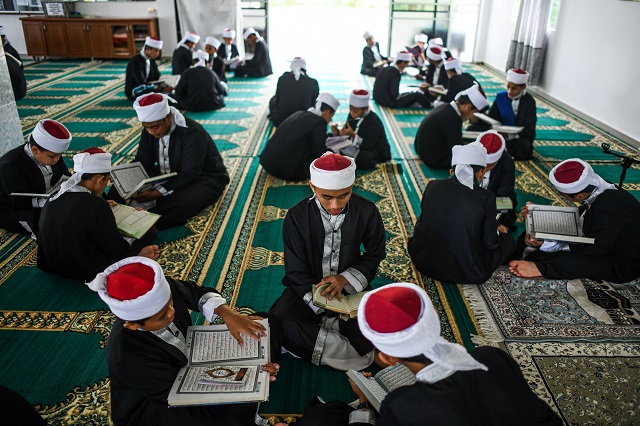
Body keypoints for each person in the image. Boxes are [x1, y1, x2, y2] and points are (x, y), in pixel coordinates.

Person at [88, 256, 282, 426]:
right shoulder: (127, 357)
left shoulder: (162, 292)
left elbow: (194, 293)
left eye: (170, 303)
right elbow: (185, 389)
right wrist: (249, 374)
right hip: (156, 403)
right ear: (133, 325)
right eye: (162, 316)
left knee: (261, 325)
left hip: (190, 361)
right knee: (220, 419)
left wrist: (228, 314)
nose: (172, 313)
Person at [269, 153, 386, 371]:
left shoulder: (368, 211)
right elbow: (295, 270)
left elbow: (375, 253)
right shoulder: (297, 216)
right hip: (306, 290)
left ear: (352, 186)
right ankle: (348, 344)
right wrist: (323, 303)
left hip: (349, 290)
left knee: (379, 326)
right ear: (312, 187)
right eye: (326, 197)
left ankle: (327, 331)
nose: (335, 205)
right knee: (279, 322)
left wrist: (344, 279)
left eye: (344, 196)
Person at [509, 159, 640, 283]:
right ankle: (518, 256)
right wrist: (538, 213)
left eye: (562, 194)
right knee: (536, 229)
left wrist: (550, 245)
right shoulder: (597, 188)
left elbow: (595, 249)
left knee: (563, 258)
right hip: (600, 241)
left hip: (622, 262)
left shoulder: (608, 207)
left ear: (579, 196)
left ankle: (539, 267)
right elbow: (584, 216)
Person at [37, 148, 159, 282]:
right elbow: (117, 248)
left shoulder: (56, 195)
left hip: (52, 263)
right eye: (107, 180)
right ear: (99, 179)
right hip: (84, 269)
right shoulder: (97, 206)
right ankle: (136, 256)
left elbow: (77, 212)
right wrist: (135, 250)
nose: (107, 184)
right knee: (149, 230)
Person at [118, 93, 229, 229]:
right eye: (147, 127)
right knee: (117, 191)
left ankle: (140, 224)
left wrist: (156, 193)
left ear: (169, 118)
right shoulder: (149, 131)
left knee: (177, 205)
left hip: (204, 177)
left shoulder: (193, 134)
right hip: (168, 173)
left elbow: (190, 174)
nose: (151, 132)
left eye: (155, 127)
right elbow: (143, 161)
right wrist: (125, 178)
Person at [408, 143, 515, 284]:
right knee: (508, 242)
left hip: (423, 262)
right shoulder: (486, 197)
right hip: (467, 272)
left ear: (452, 171)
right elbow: (490, 244)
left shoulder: (432, 186)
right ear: (482, 172)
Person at [0, 120, 71, 235]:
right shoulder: (11, 165)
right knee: (55, 219)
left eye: (59, 155)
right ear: (35, 151)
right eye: (53, 156)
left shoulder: (53, 155)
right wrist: (51, 203)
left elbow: (66, 177)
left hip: (47, 197)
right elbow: (19, 202)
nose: (57, 160)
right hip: (14, 208)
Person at [260, 93, 338, 181]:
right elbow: (319, 152)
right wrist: (334, 152)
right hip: (283, 170)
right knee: (322, 164)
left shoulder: (300, 113)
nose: (330, 120)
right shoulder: (319, 122)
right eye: (331, 116)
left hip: (267, 161)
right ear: (327, 112)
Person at [414, 84, 488, 169]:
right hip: (433, 159)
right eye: (474, 112)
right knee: (475, 158)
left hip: (421, 150)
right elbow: (458, 150)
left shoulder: (446, 107)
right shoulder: (453, 119)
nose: (472, 116)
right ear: (468, 107)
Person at [474, 68, 537, 160]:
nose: (510, 91)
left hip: (516, 138)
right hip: (498, 133)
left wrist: (508, 135)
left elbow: (529, 130)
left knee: (523, 147)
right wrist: (477, 119)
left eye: (514, 88)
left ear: (523, 87)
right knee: (473, 129)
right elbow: (492, 118)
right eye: (508, 87)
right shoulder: (501, 97)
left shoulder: (529, 102)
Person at [330, 89, 391, 170]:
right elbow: (346, 134)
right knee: (329, 138)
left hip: (375, 151)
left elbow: (369, 145)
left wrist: (353, 135)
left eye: (355, 111)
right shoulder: (352, 115)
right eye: (350, 109)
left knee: (364, 159)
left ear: (365, 108)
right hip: (357, 146)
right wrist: (337, 132)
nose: (352, 113)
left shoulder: (373, 122)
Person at [477, 131, 517, 232]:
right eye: (483, 164)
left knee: (502, 223)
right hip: (470, 198)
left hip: (494, 200)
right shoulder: (468, 155)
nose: (485, 168)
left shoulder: (507, 163)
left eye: (490, 165)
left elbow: (504, 195)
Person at [269, 57, 319, 127]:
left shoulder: (282, 79)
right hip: (304, 122)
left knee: (273, 100)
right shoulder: (313, 82)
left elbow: (278, 99)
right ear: (305, 69)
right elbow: (313, 103)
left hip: (281, 120)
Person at [124, 36, 165, 101]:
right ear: (148, 49)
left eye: (159, 51)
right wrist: (158, 87)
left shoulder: (151, 60)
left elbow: (157, 76)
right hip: (136, 89)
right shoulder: (135, 61)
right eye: (156, 51)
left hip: (147, 85)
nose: (157, 53)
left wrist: (165, 84)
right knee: (160, 96)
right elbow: (140, 82)